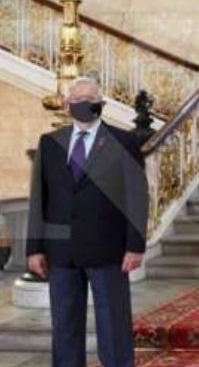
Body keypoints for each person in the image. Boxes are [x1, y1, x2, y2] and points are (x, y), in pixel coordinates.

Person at [26, 77, 148, 367]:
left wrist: (135, 245)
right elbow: (39, 197)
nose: (83, 104)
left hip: (108, 249)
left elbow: (137, 197)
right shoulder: (50, 143)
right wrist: (34, 248)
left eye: (89, 99)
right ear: (68, 105)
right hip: (61, 251)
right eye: (77, 100)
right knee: (64, 325)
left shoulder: (124, 142)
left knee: (113, 323)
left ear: (101, 104)